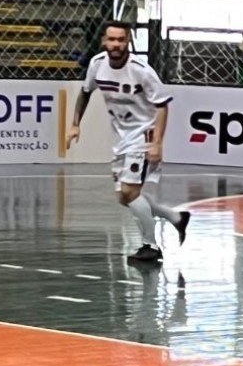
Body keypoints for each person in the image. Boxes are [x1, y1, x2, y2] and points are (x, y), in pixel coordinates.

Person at [68, 20, 191, 267]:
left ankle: (151, 246)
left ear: (128, 42)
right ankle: (176, 217)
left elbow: (162, 106)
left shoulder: (141, 70)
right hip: (121, 139)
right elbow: (85, 91)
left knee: (130, 193)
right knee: (125, 198)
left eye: (121, 40)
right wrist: (75, 123)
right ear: (104, 41)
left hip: (142, 137)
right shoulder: (97, 64)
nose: (115, 44)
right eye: (111, 39)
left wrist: (157, 143)